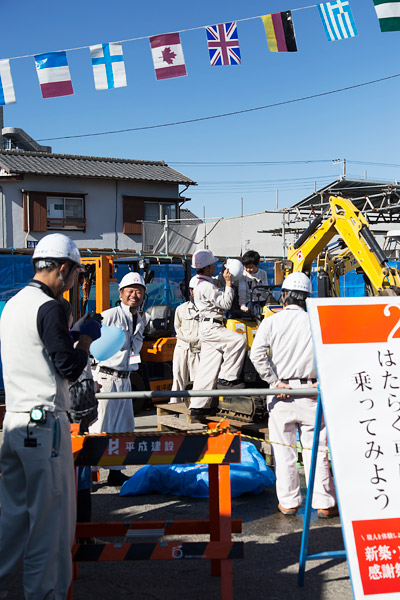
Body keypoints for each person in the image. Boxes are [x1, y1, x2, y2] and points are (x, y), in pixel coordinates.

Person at [0, 233, 101, 599]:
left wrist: (70, 335)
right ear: (63, 269)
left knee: (12, 520)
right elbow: (67, 366)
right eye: (74, 273)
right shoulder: (50, 307)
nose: (74, 280)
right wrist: (86, 340)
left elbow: (40, 351)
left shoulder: (13, 305)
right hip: (45, 428)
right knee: (50, 526)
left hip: (15, 423)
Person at [250, 272, 338, 518]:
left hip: (281, 394)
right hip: (311, 392)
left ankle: (289, 502)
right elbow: (329, 355)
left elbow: (256, 355)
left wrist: (274, 381)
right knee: (317, 450)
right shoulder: (315, 321)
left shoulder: (271, 321)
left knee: (283, 450)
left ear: (285, 295)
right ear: (308, 297)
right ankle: (324, 503)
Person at [90, 271, 146, 486]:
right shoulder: (111, 314)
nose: (134, 295)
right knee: (99, 425)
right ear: (121, 293)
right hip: (105, 378)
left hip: (126, 378)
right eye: (130, 291)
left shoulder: (141, 318)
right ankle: (89, 474)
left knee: (123, 426)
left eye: (138, 291)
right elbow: (92, 338)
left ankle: (115, 471)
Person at [190, 249, 247, 422]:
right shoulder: (206, 286)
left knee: (207, 368)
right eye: (213, 264)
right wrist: (229, 284)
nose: (215, 266)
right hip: (211, 326)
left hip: (208, 326)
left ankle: (198, 407)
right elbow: (226, 303)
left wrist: (225, 275)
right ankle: (227, 378)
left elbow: (217, 282)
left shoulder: (205, 282)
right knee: (238, 341)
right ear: (207, 268)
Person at [170, 276, 201, 404]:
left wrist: (197, 341)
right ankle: (174, 406)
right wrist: (187, 339)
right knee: (178, 377)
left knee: (197, 379)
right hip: (182, 347)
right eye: (195, 290)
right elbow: (177, 327)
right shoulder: (181, 309)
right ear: (191, 291)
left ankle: (197, 406)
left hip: (198, 350)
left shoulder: (207, 310)